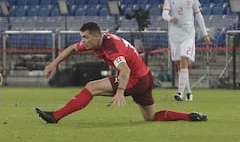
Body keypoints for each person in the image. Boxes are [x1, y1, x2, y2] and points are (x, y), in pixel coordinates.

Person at [35, 22, 207, 123]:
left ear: (96, 36)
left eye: (85, 37)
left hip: (135, 78)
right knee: (151, 117)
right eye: (82, 37)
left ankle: (55, 116)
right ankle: (190, 116)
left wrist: (120, 92)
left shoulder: (111, 47)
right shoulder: (99, 41)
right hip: (146, 77)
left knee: (91, 86)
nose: (83, 41)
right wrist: (54, 63)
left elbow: (125, 70)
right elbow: (72, 48)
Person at [162, 0, 210, 101]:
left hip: (188, 35)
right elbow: (164, 14)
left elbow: (198, 16)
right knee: (179, 64)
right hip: (174, 35)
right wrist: (171, 18)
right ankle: (188, 91)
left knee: (184, 60)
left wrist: (204, 33)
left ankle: (180, 93)